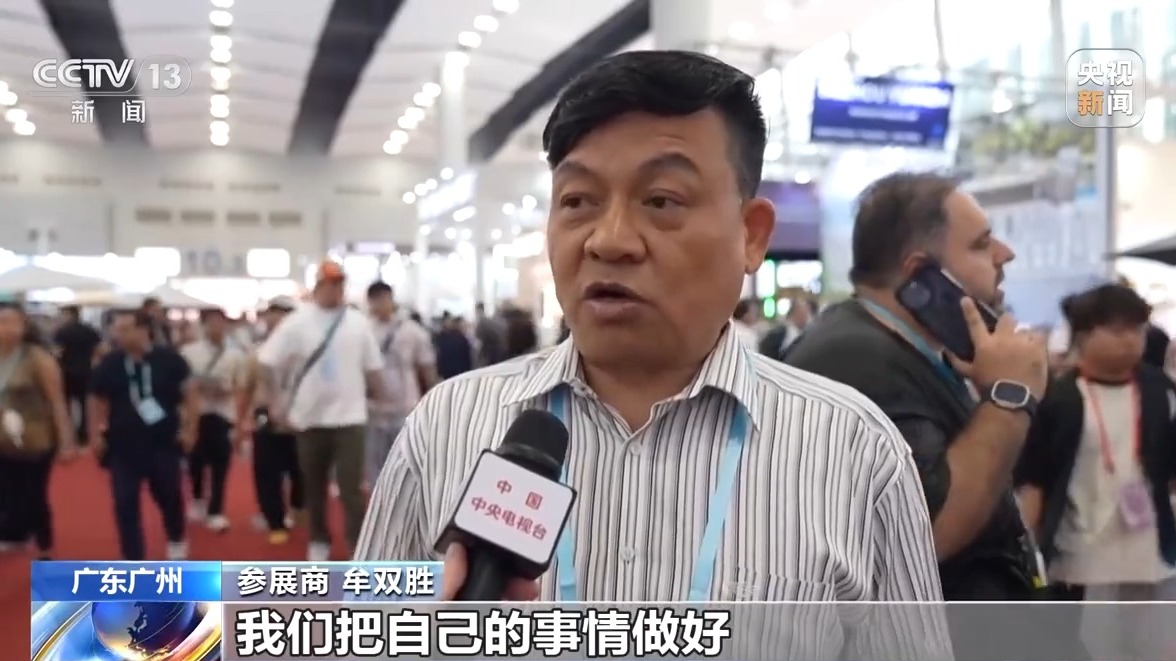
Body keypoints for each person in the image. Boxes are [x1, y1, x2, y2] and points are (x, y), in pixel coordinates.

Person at [357, 51, 945, 626]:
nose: (609, 240)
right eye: (577, 201)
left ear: (751, 235)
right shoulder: (444, 430)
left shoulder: (857, 452)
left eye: (661, 200)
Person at [785, 172, 1048, 603]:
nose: (1005, 254)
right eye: (981, 244)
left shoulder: (905, 349)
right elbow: (929, 529)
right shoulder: (859, 360)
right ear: (921, 275)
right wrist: (1008, 398)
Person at [1017, 285, 1176, 645]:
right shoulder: (1060, 398)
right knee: (1086, 639)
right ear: (1084, 335)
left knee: (1151, 639)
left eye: (1137, 330)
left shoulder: (1158, 388)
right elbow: (1035, 476)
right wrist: (1030, 543)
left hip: (1148, 541)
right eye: (1118, 331)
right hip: (1078, 544)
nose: (1130, 340)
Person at [257, 260, 386, 561]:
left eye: (340, 284)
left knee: (351, 488)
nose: (336, 290)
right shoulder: (297, 322)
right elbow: (266, 362)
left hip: (350, 418)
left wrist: (382, 398)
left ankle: (358, 543)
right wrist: (274, 401)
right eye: (330, 284)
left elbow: (373, 367)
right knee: (313, 486)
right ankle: (318, 538)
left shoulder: (357, 323)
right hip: (310, 419)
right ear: (318, 286)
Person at [88, 310, 196, 561]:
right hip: (122, 443)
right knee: (124, 500)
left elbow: (190, 394)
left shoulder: (169, 359)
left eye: (126, 329)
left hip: (163, 440)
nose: (119, 335)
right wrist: (96, 433)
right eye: (117, 330)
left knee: (168, 493)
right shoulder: (111, 362)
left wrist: (190, 429)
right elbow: (96, 398)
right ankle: (132, 555)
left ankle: (176, 536)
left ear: (144, 330)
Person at [0, 303, 77, 558]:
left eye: (12, 322)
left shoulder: (37, 358)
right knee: (7, 491)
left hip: (35, 438)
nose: (6, 328)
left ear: (24, 326)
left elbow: (57, 401)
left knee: (33, 494)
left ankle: (45, 544)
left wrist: (66, 441)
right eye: (2, 322)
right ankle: (13, 533)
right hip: (2, 437)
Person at [238, 297, 304, 545]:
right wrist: (240, 422)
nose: (277, 321)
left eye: (284, 315)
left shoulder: (306, 352)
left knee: (302, 470)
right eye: (272, 315)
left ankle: (298, 506)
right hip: (265, 416)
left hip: (301, 418)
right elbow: (246, 389)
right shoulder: (257, 353)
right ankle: (275, 521)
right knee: (266, 472)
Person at [180, 308, 247, 532]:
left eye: (221, 322)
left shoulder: (236, 355)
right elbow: (181, 383)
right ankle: (198, 497)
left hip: (223, 414)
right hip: (196, 413)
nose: (217, 326)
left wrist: (239, 417)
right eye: (211, 322)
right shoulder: (188, 352)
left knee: (221, 464)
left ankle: (216, 510)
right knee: (195, 461)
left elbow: (241, 385)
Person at [364, 281, 437, 487]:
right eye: (375, 300)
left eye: (383, 299)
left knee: (405, 457)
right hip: (373, 406)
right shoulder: (365, 330)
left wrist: (432, 397)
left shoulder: (411, 330)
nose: (380, 304)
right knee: (375, 461)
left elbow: (426, 366)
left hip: (406, 403)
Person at [52, 305, 101, 444]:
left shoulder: (62, 332)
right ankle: (84, 433)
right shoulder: (89, 330)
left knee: (65, 404)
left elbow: (57, 352)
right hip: (86, 372)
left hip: (66, 372)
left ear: (70, 314)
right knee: (85, 403)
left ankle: (68, 432)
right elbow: (99, 350)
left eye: (63, 314)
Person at [760, 296, 815, 361]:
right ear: (795, 314)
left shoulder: (807, 335)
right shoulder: (777, 334)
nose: (807, 317)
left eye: (807, 313)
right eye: (803, 313)